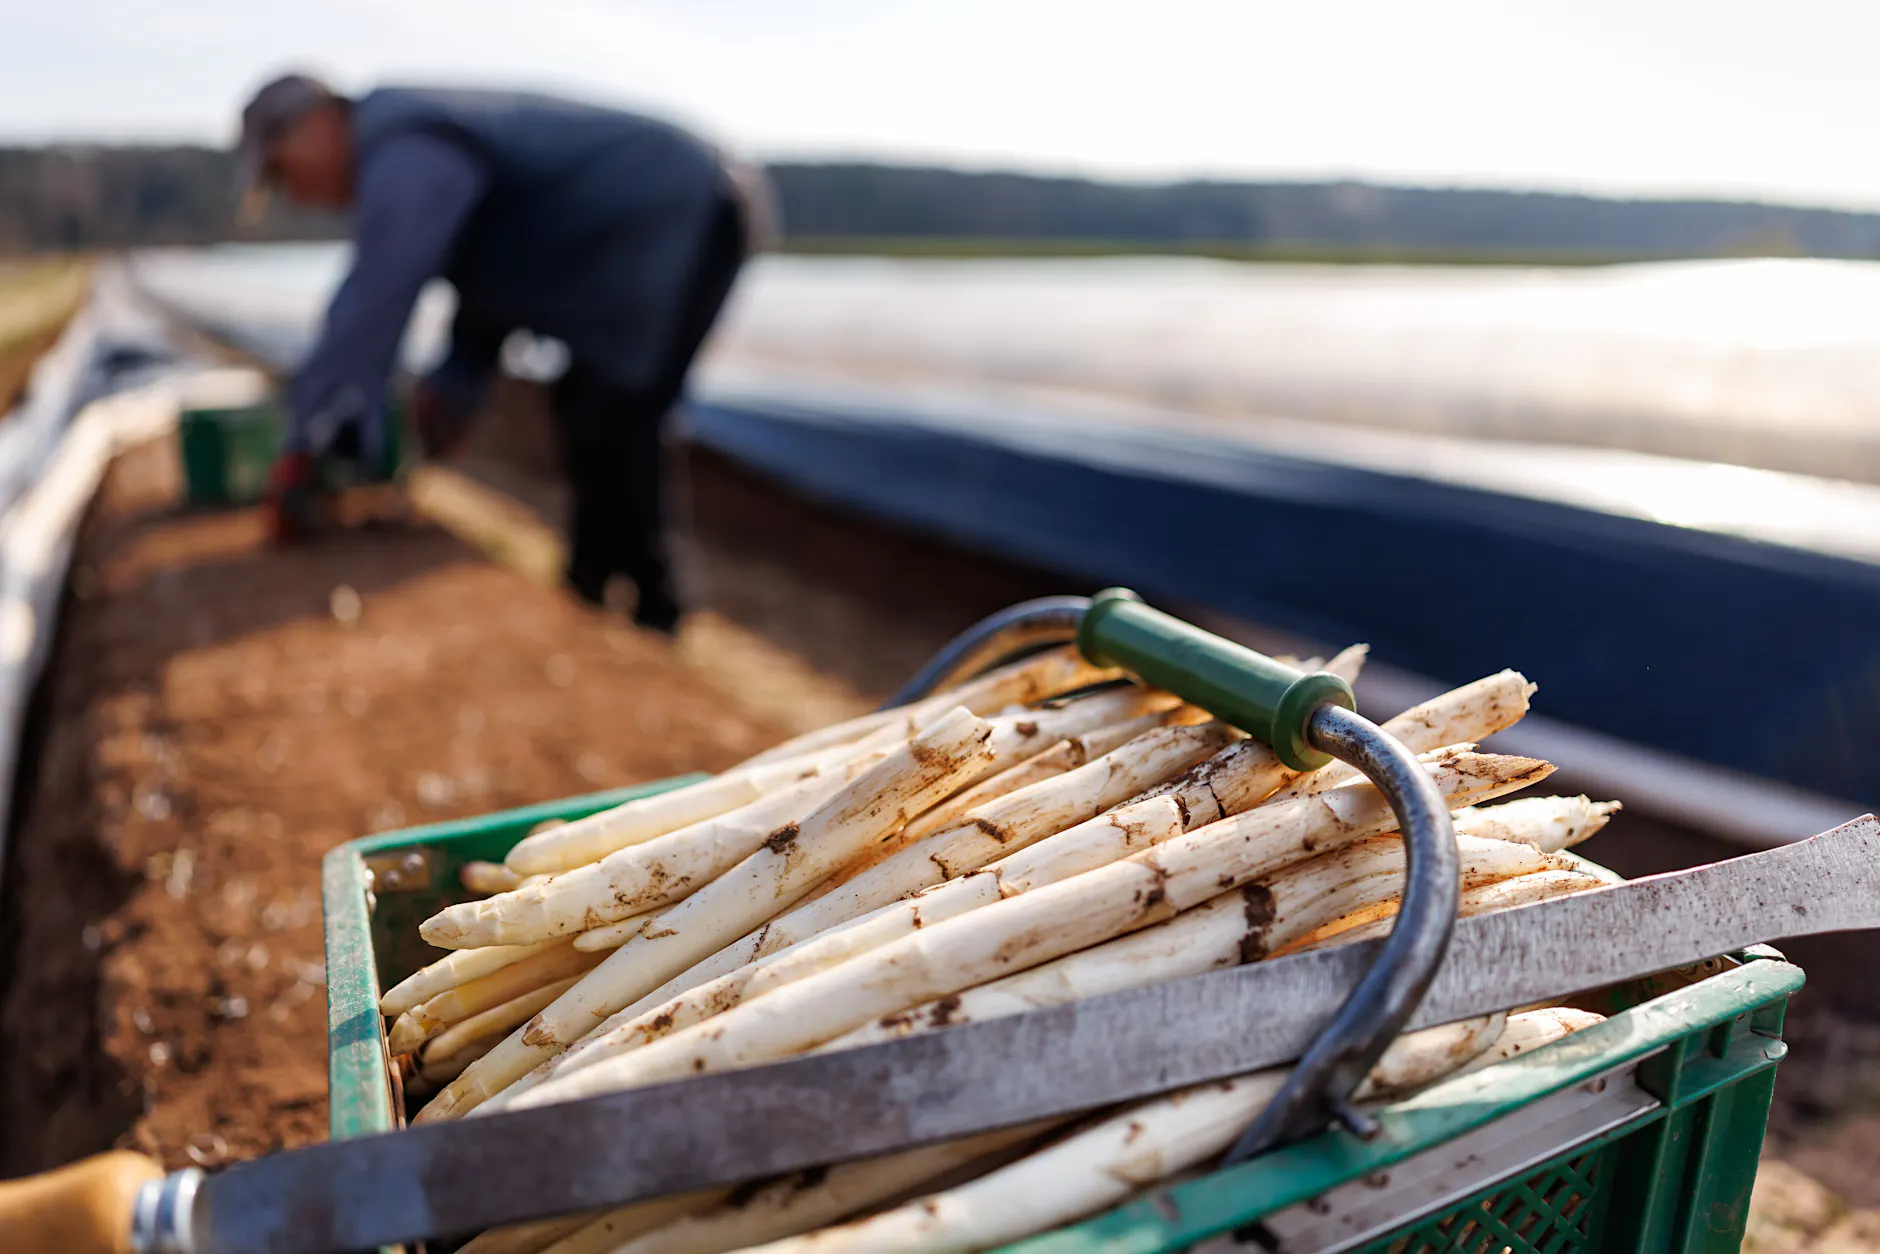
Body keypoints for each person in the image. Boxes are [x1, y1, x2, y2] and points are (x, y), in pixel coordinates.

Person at [235, 72, 767, 633]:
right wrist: (454, 390)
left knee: (619, 406)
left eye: (280, 170)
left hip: (687, 211)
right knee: (592, 400)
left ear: (315, 126)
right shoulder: (411, 142)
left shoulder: (403, 147)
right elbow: (492, 290)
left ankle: (655, 607)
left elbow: (377, 297)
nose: (293, 193)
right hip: (657, 224)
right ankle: (593, 584)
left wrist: (301, 441)